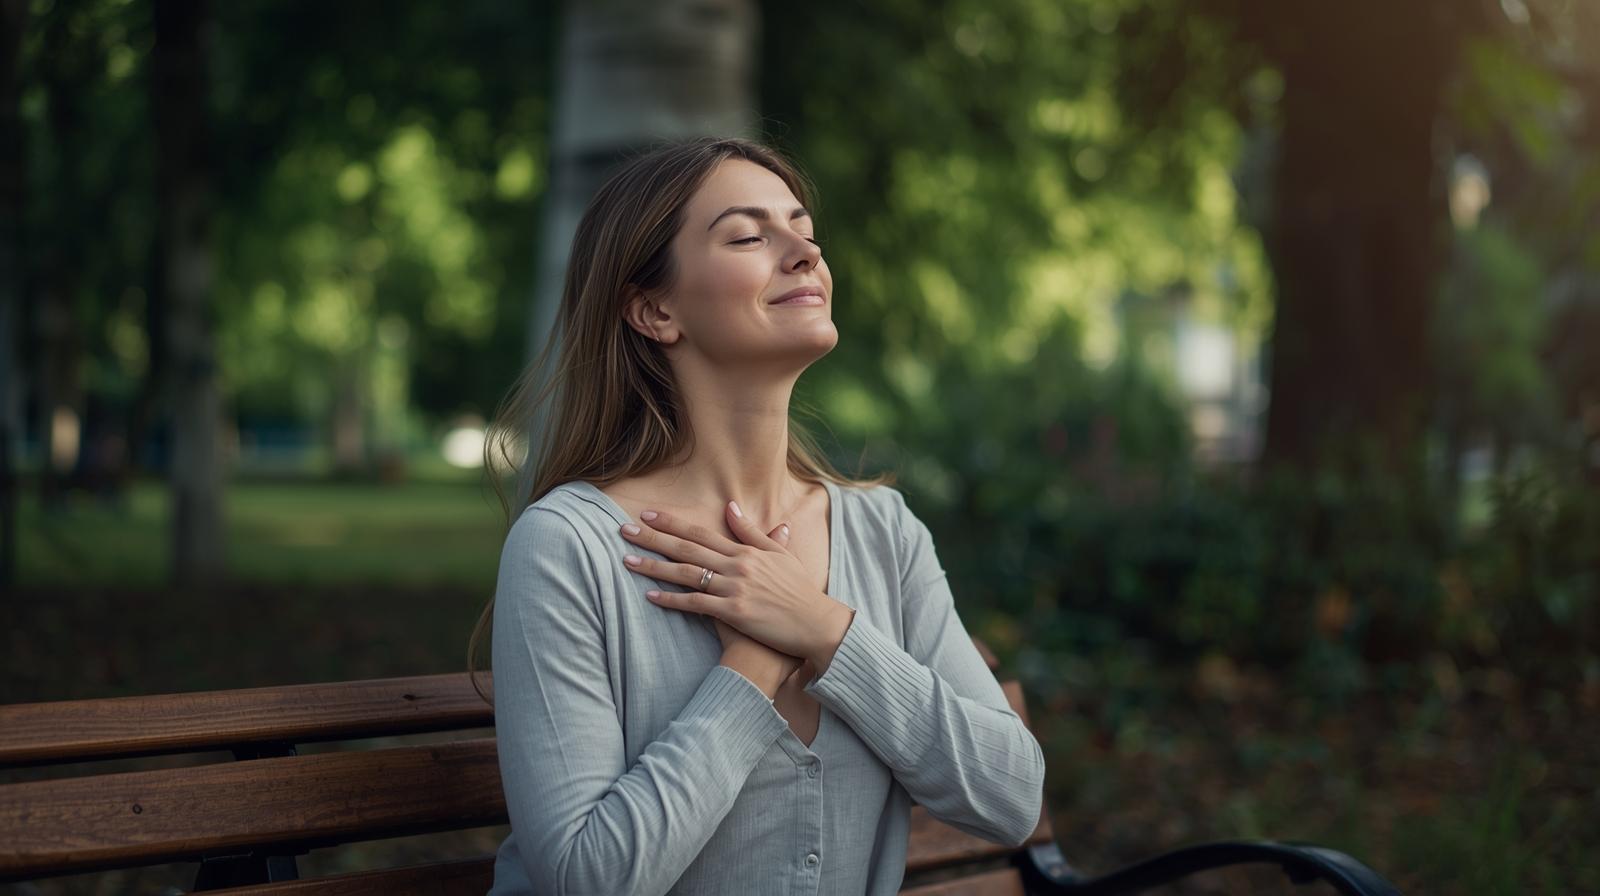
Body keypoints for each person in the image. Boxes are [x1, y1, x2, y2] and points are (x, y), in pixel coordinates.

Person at [468, 137, 1045, 895]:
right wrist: (751, 671)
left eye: (804, 229)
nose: (806, 252)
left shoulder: (884, 531)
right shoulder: (567, 545)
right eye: (747, 236)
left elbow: (1011, 798)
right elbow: (587, 879)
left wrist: (824, 629)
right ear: (654, 310)